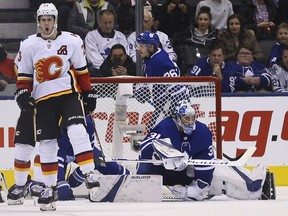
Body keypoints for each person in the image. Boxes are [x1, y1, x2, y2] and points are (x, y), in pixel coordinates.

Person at [9, 3, 99, 211]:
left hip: (68, 95)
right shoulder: (29, 44)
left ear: (55, 20)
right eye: (43, 20)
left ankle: (89, 172)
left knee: (77, 129)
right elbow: (24, 76)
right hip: (43, 101)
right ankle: (50, 188)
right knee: (47, 143)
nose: (46, 23)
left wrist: (88, 92)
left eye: (49, 19)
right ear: (38, 22)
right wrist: (22, 93)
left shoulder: (72, 41)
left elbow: (82, 70)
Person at [137, 100, 215, 201]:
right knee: (148, 164)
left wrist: (198, 188)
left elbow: (206, 163)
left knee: (197, 191)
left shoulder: (203, 132)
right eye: (186, 118)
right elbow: (144, 147)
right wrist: (162, 154)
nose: (190, 122)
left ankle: (180, 187)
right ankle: (146, 185)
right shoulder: (165, 127)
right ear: (177, 118)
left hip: (184, 174)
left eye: (193, 118)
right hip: (163, 171)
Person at [173, 6, 218, 75]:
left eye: (205, 19)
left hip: (209, 69)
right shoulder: (186, 36)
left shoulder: (215, 37)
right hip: (190, 69)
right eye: (200, 19)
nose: (202, 22)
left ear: (210, 21)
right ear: (196, 20)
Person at [85, 9, 128, 77]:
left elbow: (125, 56)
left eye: (110, 22)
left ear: (114, 21)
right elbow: (94, 59)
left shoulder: (120, 36)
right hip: (100, 72)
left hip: (119, 71)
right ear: (99, 22)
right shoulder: (91, 36)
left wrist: (118, 70)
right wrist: (109, 70)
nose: (108, 26)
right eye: (105, 23)